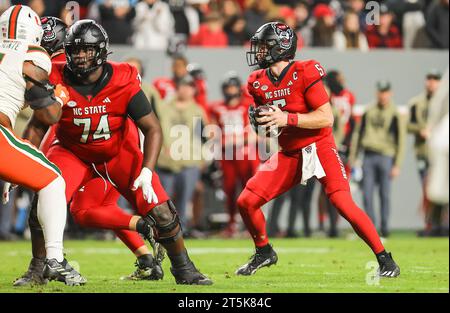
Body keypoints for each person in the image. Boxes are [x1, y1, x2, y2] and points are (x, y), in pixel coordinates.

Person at [17, 19, 212, 286]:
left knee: (162, 212)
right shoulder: (55, 75)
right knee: (43, 203)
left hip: (118, 150)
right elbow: (38, 125)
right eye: (75, 49)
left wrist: (147, 170)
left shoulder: (123, 77)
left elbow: (153, 128)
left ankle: (184, 268)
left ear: (101, 51)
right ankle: (37, 270)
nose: (81, 55)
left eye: (87, 49)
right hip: (73, 151)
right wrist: (22, 163)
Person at [236, 21, 400, 278]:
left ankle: (385, 258)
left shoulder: (305, 71)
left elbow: (326, 118)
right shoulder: (257, 82)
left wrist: (287, 118)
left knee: (342, 202)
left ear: (281, 47)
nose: (258, 52)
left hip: (319, 146)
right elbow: (269, 128)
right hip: (290, 152)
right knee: (246, 201)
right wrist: (260, 124)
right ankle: (264, 251)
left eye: (264, 46)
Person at [0, 4, 85, 286]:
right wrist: (59, 97)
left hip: (4, 133)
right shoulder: (32, 54)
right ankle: (55, 259)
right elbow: (48, 114)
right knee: (53, 180)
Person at [350, 81, 406, 238]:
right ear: (377, 93)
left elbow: (401, 140)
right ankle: (371, 227)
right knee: (367, 194)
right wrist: (354, 157)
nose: (383, 95)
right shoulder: (369, 111)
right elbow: (358, 134)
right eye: (381, 92)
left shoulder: (395, 113)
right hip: (368, 155)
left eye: (386, 92)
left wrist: (397, 164)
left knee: (385, 194)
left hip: (386, 156)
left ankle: (385, 227)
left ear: (390, 93)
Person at [209, 71, 259, 237]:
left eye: (233, 87)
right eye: (227, 87)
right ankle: (232, 224)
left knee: (250, 191)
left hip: (246, 153)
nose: (230, 90)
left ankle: (250, 225)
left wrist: (236, 141)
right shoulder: (217, 108)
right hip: (227, 155)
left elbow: (256, 132)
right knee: (230, 191)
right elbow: (212, 131)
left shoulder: (247, 105)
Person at [155, 74, 207, 232]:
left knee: (184, 200)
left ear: (193, 90)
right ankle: (162, 231)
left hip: (189, 161)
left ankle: (181, 232)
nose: (185, 89)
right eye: (183, 86)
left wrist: (202, 161)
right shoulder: (163, 107)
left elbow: (203, 137)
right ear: (177, 88)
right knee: (163, 200)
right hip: (165, 161)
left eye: (189, 86)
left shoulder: (198, 110)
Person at [407, 69, 444, 236]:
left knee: (443, 188)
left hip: (442, 153)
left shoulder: (444, 102)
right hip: (424, 151)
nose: (432, 82)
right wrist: (421, 130)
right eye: (429, 78)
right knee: (427, 189)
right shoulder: (416, 103)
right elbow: (408, 125)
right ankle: (431, 224)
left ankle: (443, 224)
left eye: (435, 79)